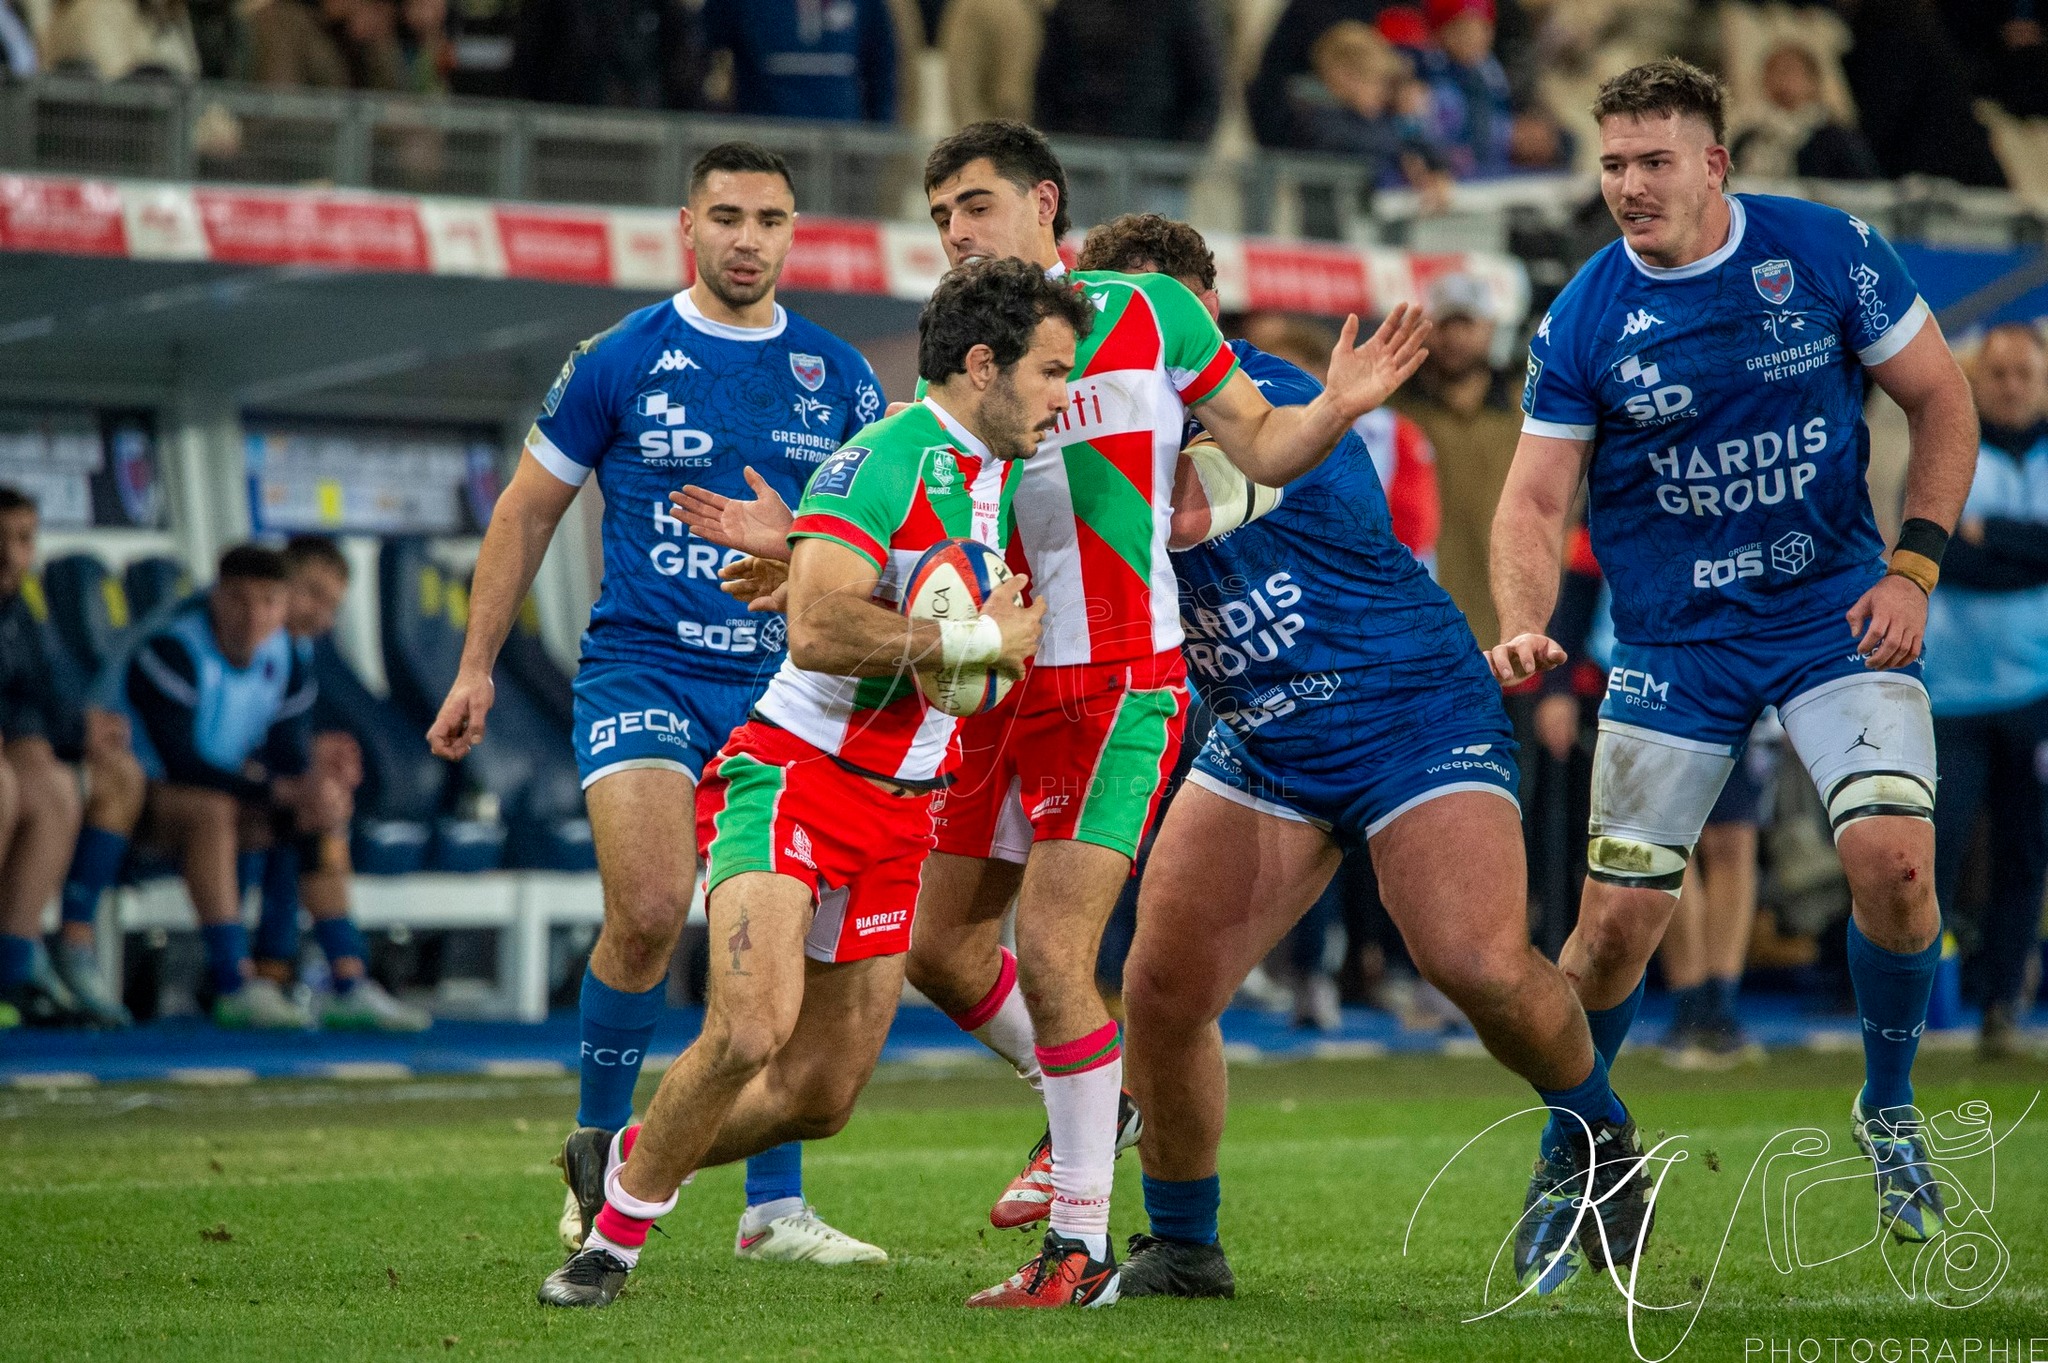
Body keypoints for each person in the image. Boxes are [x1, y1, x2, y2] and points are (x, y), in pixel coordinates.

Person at [689, 122, 1429, 1306]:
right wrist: (804, 555)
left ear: (1044, 204)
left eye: (974, 205)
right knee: (939, 947)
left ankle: (1077, 1241)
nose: (955, 230)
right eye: (939, 215)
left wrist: (1334, 406)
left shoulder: (1150, 314)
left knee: (1049, 951)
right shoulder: (964, 361)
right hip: (990, 684)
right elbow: (925, 533)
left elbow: (1263, 445)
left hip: (1117, 682)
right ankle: (1095, 1094)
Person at [1055, 213, 1651, 1300]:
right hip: (1262, 737)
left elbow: (1189, 506)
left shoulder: (1276, 391)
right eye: (1101, 316)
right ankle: (1183, 1246)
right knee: (1162, 989)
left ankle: (1602, 1142)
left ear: (1198, 312)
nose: (1119, 336)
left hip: (1409, 711)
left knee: (1474, 963)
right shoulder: (1097, 426)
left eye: (1144, 311)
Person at [1493, 58, 1979, 1284]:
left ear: (1713, 163)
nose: (1627, 186)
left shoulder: (1824, 250)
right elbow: (1533, 497)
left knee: (1896, 862)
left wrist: (1911, 569)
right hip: (1672, 640)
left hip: (1830, 613)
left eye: (1652, 160)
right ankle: (1573, 1151)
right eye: (1611, 163)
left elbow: (1939, 399)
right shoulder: (1583, 314)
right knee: (1612, 931)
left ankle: (1886, 1106)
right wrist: (1524, 620)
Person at [535, 256, 1074, 1310]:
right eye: (1050, 372)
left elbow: (882, 578)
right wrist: (974, 640)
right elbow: (820, 630)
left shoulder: (990, 467)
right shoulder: (885, 454)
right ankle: (609, 1247)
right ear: (983, 367)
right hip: (795, 775)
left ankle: (626, 1154)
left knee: (821, 1097)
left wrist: (801, 551)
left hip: (903, 805)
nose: (1062, 396)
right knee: (749, 1028)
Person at [428, 143, 891, 1266]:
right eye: (726, 216)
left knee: (771, 943)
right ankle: (595, 1152)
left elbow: (879, 545)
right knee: (644, 908)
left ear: (793, 233)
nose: (748, 239)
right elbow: (527, 511)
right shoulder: (618, 357)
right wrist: (476, 665)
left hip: (783, 688)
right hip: (642, 668)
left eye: (769, 219)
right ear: (687, 226)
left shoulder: (842, 378)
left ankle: (772, 1209)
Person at [247, 535, 430, 1032]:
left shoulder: (296, 650)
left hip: (248, 786)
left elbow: (277, 738)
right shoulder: (247, 640)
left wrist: (319, 755)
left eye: (332, 606)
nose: (322, 617)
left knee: (316, 809)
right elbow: (217, 740)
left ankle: (306, 978)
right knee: (311, 809)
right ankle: (305, 978)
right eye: (312, 594)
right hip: (190, 785)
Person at [1925, 322, 2048, 1059]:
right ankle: (1914, 1008)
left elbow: (1980, 551)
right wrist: (2027, 549)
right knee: (1930, 854)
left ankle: (2003, 1005)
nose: (2010, 386)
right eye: (1997, 373)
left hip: (2037, 688)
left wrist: (1989, 532)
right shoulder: (1950, 446)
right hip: (1951, 693)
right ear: (1977, 378)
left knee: (2025, 853)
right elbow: (1939, 553)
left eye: (2023, 374)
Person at [0, 488, 146, 1028]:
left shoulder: (20, 608)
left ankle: (25, 963)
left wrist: (77, 728)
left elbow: (47, 689)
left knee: (84, 779)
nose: (9, 555)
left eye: (21, 539)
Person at [1390, 271, 1520, 649]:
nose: (1455, 338)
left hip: (1507, 625)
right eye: (1445, 325)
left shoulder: (1527, 408)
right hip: (1415, 621)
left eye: (1467, 324)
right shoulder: (1392, 408)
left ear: (1490, 328)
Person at [1031, 0, 1223, 146]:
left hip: (1152, 162)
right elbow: (1047, 84)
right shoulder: (1074, 7)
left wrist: (1178, 161)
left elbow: (1205, 90)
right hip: (1082, 157)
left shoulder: (1177, 7)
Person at [699, 0, 897, 124]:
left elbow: (882, 65)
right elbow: (703, 45)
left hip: (840, 149)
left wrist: (878, 134)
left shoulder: (867, 6)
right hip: (764, 143)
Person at [1729, 42, 1880, 183]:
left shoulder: (1837, 139)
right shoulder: (1748, 138)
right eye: (1773, 71)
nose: (1781, 79)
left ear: (1813, 81)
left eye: (1790, 71)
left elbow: (1868, 189)